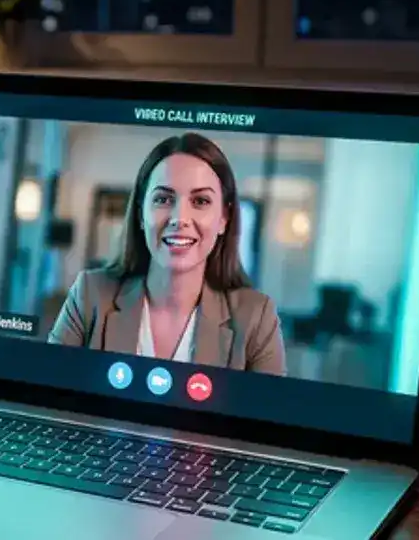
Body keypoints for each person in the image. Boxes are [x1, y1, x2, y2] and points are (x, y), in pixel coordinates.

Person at [48, 132, 286, 375]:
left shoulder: (257, 318)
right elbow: (48, 391)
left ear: (224, 218)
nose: (179, 219)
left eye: (201, 201)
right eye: (163, 199)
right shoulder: (90, 294)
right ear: (141, 213)